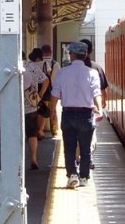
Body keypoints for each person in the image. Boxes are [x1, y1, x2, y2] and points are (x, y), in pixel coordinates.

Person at [51, 41, 102, 189]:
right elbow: (96, 92)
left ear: (71, 55)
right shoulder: (92, 73)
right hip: (86, 114)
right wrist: (99, 109)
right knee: (85, 148)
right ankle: (85, 177)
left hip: (68, 114)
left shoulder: (62, 72)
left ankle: (72, 174)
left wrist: (52, 111)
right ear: (85, 55)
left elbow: (55, 94)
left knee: (69, 147)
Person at [78, 39, 108, 169]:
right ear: (91, 51)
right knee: (91, 134)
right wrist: (102, 105)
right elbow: (102, 90)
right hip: (92, 108)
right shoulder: (97, 68)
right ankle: (88, 157)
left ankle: (77, 159)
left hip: (74, 108)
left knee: (76, 135)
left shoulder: (69, 69)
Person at [22, 51, 48, 170]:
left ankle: (18, 160)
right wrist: (40, 95)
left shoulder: (10, 66)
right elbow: (46, 80)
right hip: (31, 106)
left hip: (14, 108)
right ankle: (33, 158)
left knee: (17, 135)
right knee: (32, 133)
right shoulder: (32, 66)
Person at [39, 44, 60, 137]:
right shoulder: (55, 64)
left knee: (41, 110)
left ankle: (40, 130)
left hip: (41, 90)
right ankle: (54, 130)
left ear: (42, 52)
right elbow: (58, 78)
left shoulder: (38, 63)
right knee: (53, 109)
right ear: (50, 52)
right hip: (52, 90)